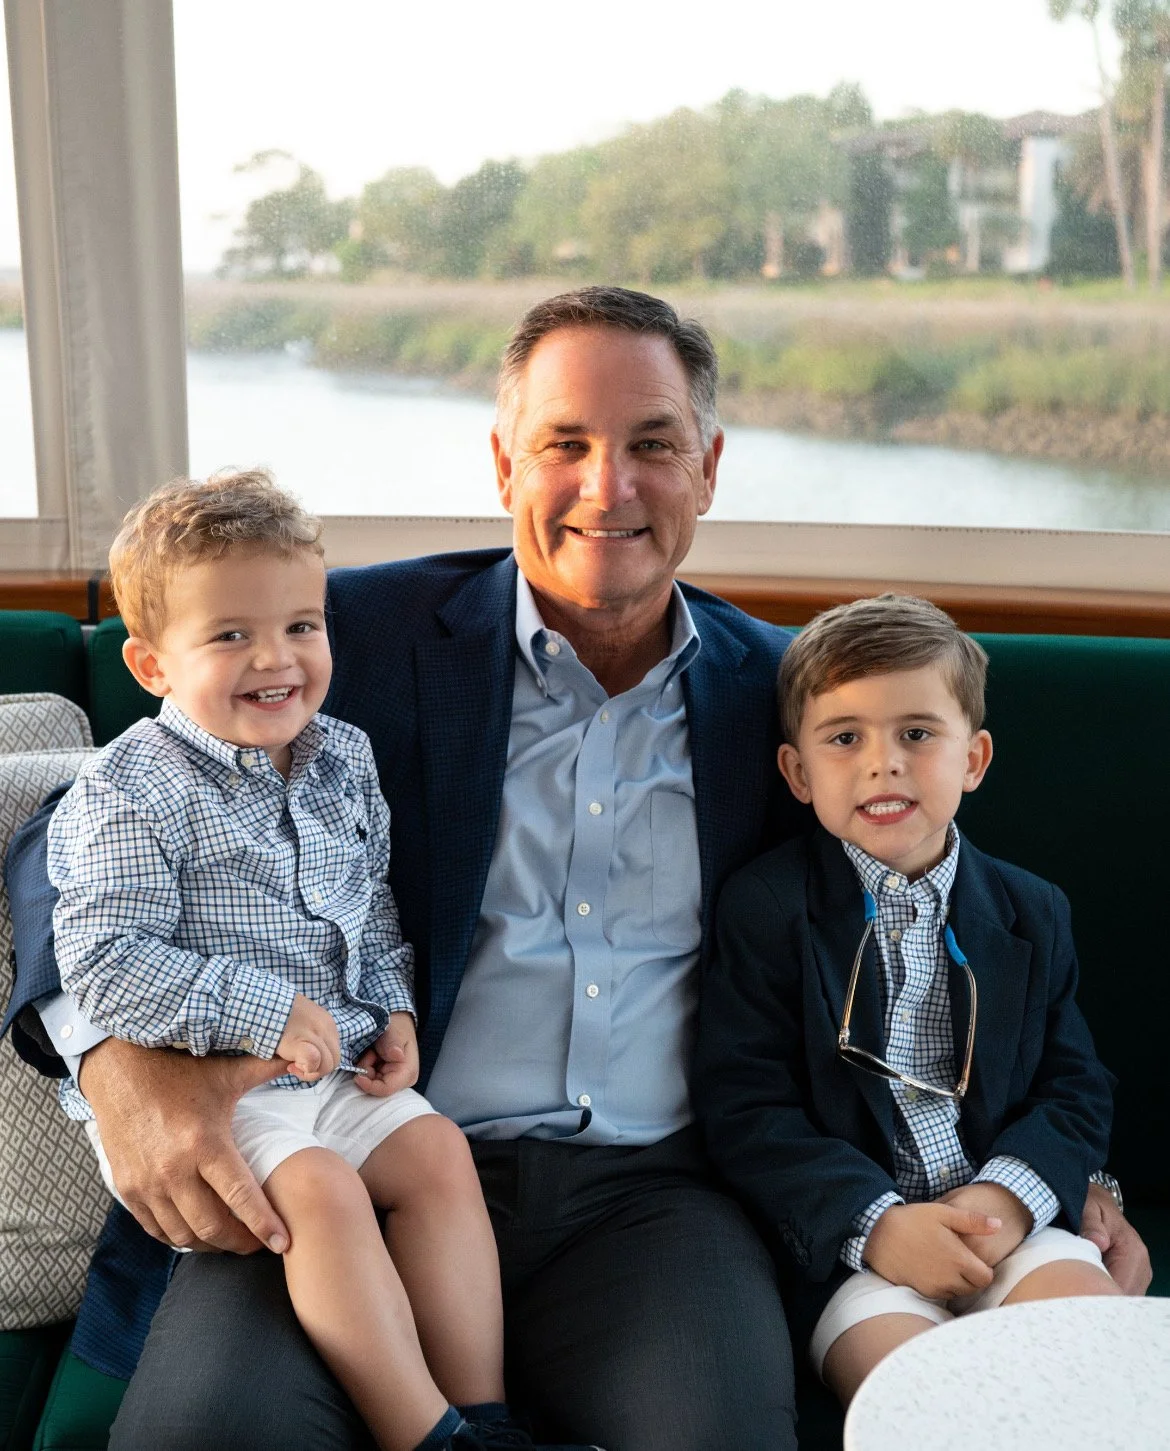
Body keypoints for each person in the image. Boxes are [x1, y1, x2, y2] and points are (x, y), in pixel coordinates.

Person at [2, 288, 1149, 1451]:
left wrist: (1058, 1184)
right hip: (351, 1151)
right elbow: (79, 824)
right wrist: (110, 1060)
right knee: (210, 1438)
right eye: (565, 444)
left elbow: (929, 908)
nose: (610, 486)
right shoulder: (333, 636)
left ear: (708, 467)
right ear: (505, 464)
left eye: (653, 443)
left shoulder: (788, 701)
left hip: (652, 1201)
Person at [46, 472, 598, 1451]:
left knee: (437, 1153)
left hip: (337, 1067)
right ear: (150, 662)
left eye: (302, 625)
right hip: (216, 1086)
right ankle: (426, 1434)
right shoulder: (127, 789)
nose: (277, 658)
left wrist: (392, 1008)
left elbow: (370, 905)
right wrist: (263, 1009)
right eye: (231, 634)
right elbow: (104, 964)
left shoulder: (343, 754)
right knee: (326, 1192)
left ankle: (485, 1416)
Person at [696, 594, 1123, 1408]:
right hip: (857, 1253)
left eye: (917, 734)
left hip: (1006, 1223)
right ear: (797, 772)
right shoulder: (765, 908)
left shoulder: (1033, 911)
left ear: (975, 758)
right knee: (925, 1403)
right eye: (844, 737)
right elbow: (745, 1106)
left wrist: (1011, 1195)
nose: (883, 763)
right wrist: (877, 1221)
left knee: (1094, 1358)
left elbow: (1076, 1086)